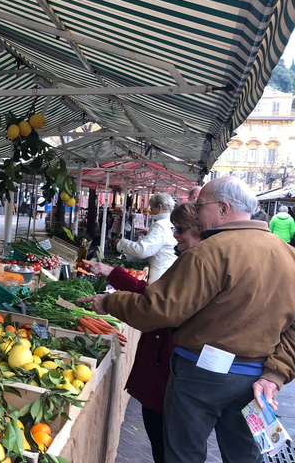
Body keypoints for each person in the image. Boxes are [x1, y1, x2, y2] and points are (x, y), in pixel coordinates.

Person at [80, 176, 295, 463]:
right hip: (255, 378)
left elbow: (158, 310)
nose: (196, 212)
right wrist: (275, 374)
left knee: (183, 455)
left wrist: (109, 301)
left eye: (200, 205)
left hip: (200, 373)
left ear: (223, 208)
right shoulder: (288, 255)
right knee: (243, 455)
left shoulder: (210, 252)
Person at [83, 203, 202, 463]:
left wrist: (110, 302)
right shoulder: (189, 260)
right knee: (162, 438)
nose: (175, 235)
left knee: (168, 443)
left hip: (170, 368)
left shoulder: (200, 264)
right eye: (174, 228)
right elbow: (152, 295)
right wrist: (113, 273)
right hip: (165, 370)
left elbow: (157, 307)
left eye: (180, 229)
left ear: (200, 228)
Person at [113, 193, 177, 283]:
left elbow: (142, 250)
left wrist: (121, 244)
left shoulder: (160, 225)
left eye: (152, 208)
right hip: (169, 271)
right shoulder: (171, 222)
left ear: (160, 207)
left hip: (159, 275)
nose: (151, 212)